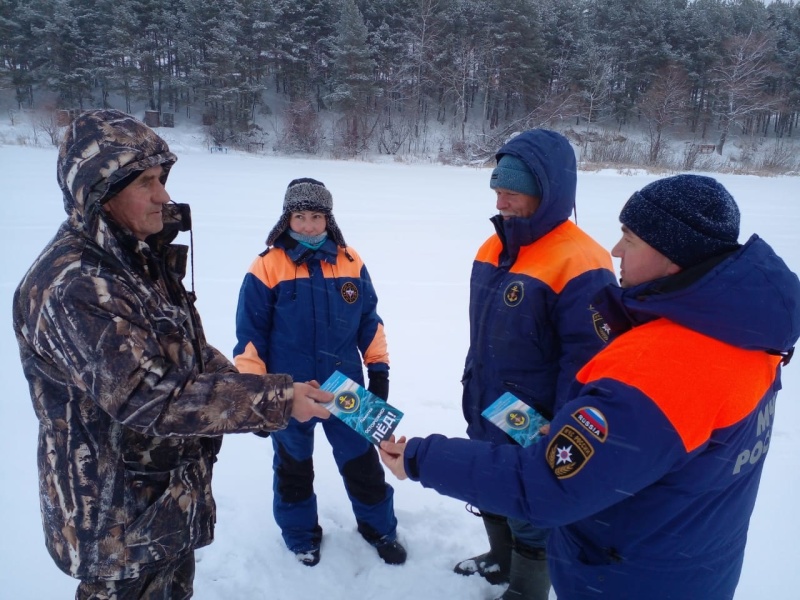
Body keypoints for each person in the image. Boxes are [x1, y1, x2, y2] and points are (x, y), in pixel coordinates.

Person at [380, 174, 800, 600]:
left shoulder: (658, 367)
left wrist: (420, 458)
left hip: (626, 580)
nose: (616, 250)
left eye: (629, 238)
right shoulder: (744, 336)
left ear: (672, 256)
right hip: (689, 563)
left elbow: (543, 487)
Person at [12, 109, 333, 600]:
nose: (164, 195)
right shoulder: (76, 285)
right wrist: (275, 401)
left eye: (162, 178)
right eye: (146, 182)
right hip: (114, 526)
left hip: (160, 506)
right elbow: (148, 395)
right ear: (100, 192)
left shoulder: (135, 258)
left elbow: (187, 352)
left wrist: (276, 394)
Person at [452, 129, 616, 599]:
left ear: (549, 192)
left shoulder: (582, 260)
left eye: (514, 192)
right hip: (486, 401)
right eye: (497, 190)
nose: (502, 201)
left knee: (531, 509)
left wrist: (562, 425)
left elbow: (588, 362)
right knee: (490, 490)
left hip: (537, 418)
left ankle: (526, 588)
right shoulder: (493, 246)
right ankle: (500, 560)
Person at [233, 177, 406, 567]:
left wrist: (378, 370)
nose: (309, 226)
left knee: (361, 462)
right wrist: (259, 397)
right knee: (294, 467)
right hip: (291, 392)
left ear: (329, 219)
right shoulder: (266, 266)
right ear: (286, 219)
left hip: (346, 388)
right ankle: (301, 536)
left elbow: (369, 321)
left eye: (316, 216)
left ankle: (380, 529)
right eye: (300, 216)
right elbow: (249, 340)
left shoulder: (350, 260)